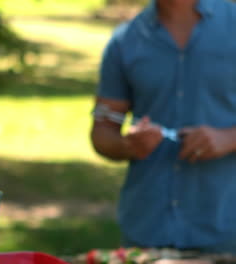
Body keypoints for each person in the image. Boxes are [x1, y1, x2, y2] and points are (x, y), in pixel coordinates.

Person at [91, 0, 236, 254]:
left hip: (226, 228)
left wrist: (230, 138)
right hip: (146, 230)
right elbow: (102, 131)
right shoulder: (126, 40)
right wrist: (128, 144)